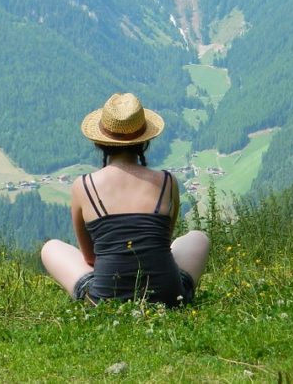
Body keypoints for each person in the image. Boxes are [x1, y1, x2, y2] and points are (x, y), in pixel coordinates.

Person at [41, 93, 210, 306]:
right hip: (168, 298)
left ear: (100, 143)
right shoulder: (167, 182)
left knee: (51, 247)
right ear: (144, 141)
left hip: (104, 300)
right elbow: (162, 243)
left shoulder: (83, 186)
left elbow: (90, 258)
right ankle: (173, 289)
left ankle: (97, 296)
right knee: (198, 238)